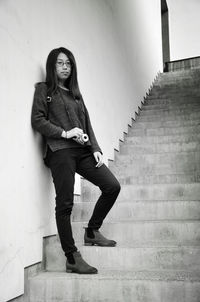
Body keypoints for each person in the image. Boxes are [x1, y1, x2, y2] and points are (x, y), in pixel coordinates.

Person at [31, 47, 121, 274]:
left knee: (111, 186)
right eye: (60, 63)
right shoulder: (45, 90)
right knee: (65, 204)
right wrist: (65, 133)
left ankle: (91, 231)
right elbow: (38, 120)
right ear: (52, 66)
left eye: (69, 63)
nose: (65, 67)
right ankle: (71, 256)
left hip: (82, 151)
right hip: (60, 151)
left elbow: (87, 123)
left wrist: (96, 148)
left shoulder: (76, 94)